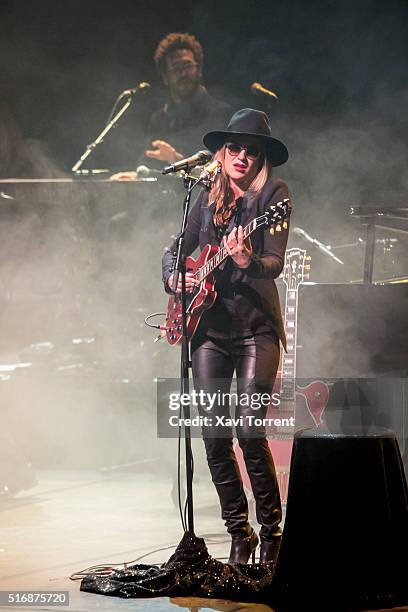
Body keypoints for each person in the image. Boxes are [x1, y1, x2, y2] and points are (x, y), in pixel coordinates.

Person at [162, 108, 291, 564]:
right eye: (233, 148)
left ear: (261, 159)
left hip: (257, 329)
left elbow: (274, 262)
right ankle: (240, 532)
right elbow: (178, 246)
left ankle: (273, 533)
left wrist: (245, 262)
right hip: (210, 331)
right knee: (214, 436)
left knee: (248, 430)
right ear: (222, 152)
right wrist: (174, 277)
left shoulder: (273, 196)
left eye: (250, 151)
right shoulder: (206, 192)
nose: (240, 156)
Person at [111, 32, 230, 179]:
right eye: (176, 68)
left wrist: (177, 161)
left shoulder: (220, 114)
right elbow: (148, 166)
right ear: (165, 77)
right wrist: (135, 177)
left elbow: (225, 171)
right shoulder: (160, 119)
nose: (183, 73)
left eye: (188, 65)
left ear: (198, 70)